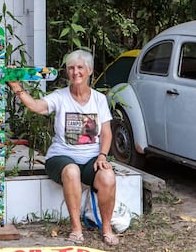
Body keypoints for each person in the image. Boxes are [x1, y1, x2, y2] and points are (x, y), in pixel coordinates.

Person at [8, 50, 119, 246]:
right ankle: (76, 228)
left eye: (79, 67)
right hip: (61, 157)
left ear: (90, 71)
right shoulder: (60, 97)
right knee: (71, 171)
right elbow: (36, 106)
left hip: (91, 157)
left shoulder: (99, 99)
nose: (75, 72)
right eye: (71, 68)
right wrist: (17, 87)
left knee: (108, 176)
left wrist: (102, 155)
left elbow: (106, 133)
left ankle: (106, 228)